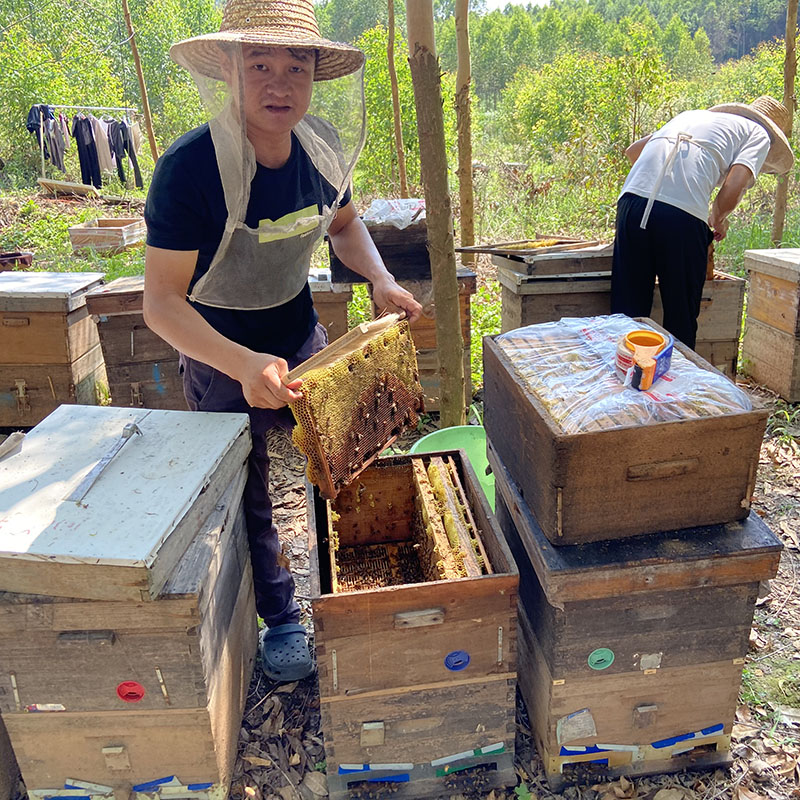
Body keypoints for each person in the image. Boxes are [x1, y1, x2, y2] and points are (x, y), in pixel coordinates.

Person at [143, 0, 422, 682]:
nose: (279, 84)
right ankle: (281, 617)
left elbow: (346, 225)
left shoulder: (322, 146)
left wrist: (381, 279)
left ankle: (361, 574)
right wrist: (241, 366)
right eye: (259, 65)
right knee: (250, 493)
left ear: (315, 77)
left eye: (295, 67)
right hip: (220, 353)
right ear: (231, 74)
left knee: (351, 447)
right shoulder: (189, 170)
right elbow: (161, 304)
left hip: (300, 335)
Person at [611, 96, 793, 349]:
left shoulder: (692, 115)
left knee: (627, 311)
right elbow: (735, 184)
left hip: (631, 202)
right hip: (680, 218)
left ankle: (623, 378)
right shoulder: (759, 134)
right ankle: (678, 384)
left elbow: (633, 152)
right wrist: (718, 219)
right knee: (680, 315)